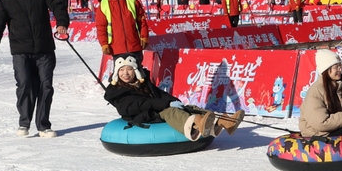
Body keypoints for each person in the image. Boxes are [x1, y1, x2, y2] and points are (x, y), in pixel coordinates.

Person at [0, 0, 70, 138]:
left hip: (44, 49)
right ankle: (24, 123)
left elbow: (58, 6)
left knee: (46, 86)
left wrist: (62, 23)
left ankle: (43, 126)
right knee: (24, 84)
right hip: (21, 51)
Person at [104, 55, 243, 139]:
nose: (125, 73)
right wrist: (166, 104)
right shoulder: (117, 90)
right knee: (170, 111)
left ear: (135, 70)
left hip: (153, 108)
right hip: (141, 115)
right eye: (121, 70)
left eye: (129, 69)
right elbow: (137, 105)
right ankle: (197, 124)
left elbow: (160, 94)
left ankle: (224, 122)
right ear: (117, 73)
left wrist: (173, 100)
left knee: (188, 107)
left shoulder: (142, 83)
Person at [95, 0, 149, 66]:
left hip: (134, 46)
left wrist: (144, 37)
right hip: (116, 48)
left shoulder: (133, 1)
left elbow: (142, 22)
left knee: (137, 70)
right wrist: (104, 44)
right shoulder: (104, 5)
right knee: (121, 72)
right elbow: (101, 27)